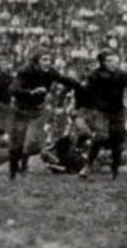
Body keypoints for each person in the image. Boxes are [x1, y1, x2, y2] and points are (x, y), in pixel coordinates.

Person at [8, 49, 79, 180]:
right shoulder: (25, 71)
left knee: (33, 143)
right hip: (21, 110)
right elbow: (12, 90)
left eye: (49, 59)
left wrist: (79, 85)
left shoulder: (50, 72)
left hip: (37, 110)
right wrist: (31, 92)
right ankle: (13, 173)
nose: (48, 62)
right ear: (36, 62)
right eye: (44, 60)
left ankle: (24, 164)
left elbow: (64, 80)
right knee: (17, 143)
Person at [79, 51, 127, 179]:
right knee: (100, 136)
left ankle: (115, 168)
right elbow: (88, 93)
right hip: (101, 111)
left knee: (117, 138)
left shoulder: (122, 75)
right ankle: (88, 165)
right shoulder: (94, 76)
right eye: (109, 61)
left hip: (118, 110)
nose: (113, 64)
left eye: (115, 61)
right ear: (102, 62)